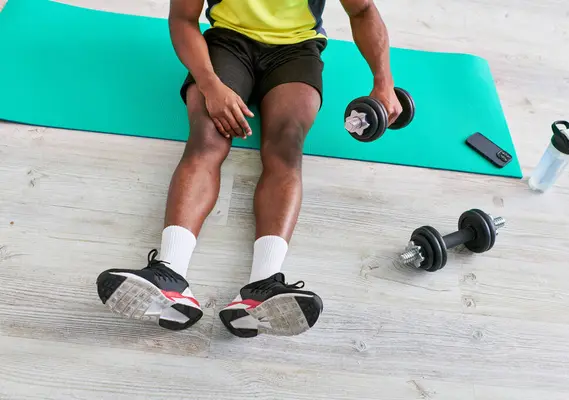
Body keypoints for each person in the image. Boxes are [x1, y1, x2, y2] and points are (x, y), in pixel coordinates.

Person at [95, 0, 401, 337]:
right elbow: (183, 19)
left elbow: (362, 11)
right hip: (227, 43)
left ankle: (262, 288)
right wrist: (210, 85)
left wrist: (383, 83)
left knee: (286, 147)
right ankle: (169, 275)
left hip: (297, 51)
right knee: (207, 138)